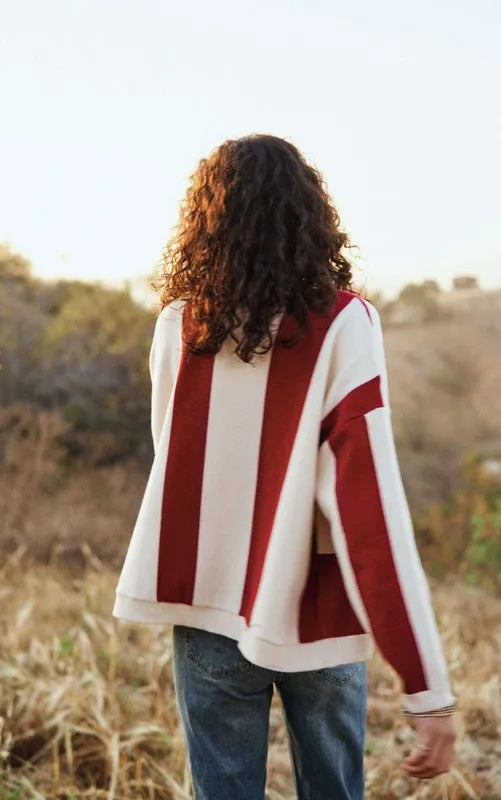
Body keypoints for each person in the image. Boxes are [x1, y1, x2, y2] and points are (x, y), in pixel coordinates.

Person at [113, 134, 456, 799]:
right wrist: (427, 692)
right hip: (317, 612)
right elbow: (370, 514)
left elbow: (175, 464)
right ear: (309, 215)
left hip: (209, 602)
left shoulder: (178, 325)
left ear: (207, 221)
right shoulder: (344, 324)